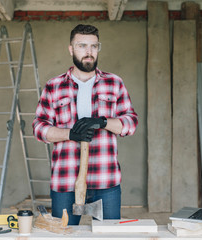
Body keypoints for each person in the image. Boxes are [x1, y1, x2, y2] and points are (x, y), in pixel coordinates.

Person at [32, 24, 138, 225]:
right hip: (65, 181)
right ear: (71, 49)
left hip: (105, 180)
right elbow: (39, 127)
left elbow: (131, 123)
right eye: (82, 46)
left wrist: (104, 122)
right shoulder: (54, 86)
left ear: (98, 48)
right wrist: (69, 135)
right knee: (64, 237)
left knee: (109, 237)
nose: (89, 52)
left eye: (94, 46)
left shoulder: (114, 83)